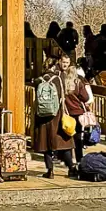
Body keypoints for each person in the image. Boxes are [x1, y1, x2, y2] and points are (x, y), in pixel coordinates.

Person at [33, 51, 75, 179]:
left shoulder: (39, 80)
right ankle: (71, 167)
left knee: (46, 144)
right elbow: (62, 97)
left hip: (43, 116)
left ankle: (50, 170)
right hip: (56, 114)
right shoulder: (58, 79)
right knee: (64, 142)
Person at [65, 65, 96, 164]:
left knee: (67, 135)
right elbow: (86, 97)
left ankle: (68, 157)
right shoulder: (78, 83)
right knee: (78, 135)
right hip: (78, 112)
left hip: (67, 113)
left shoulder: (63, 83)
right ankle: (79, 157)